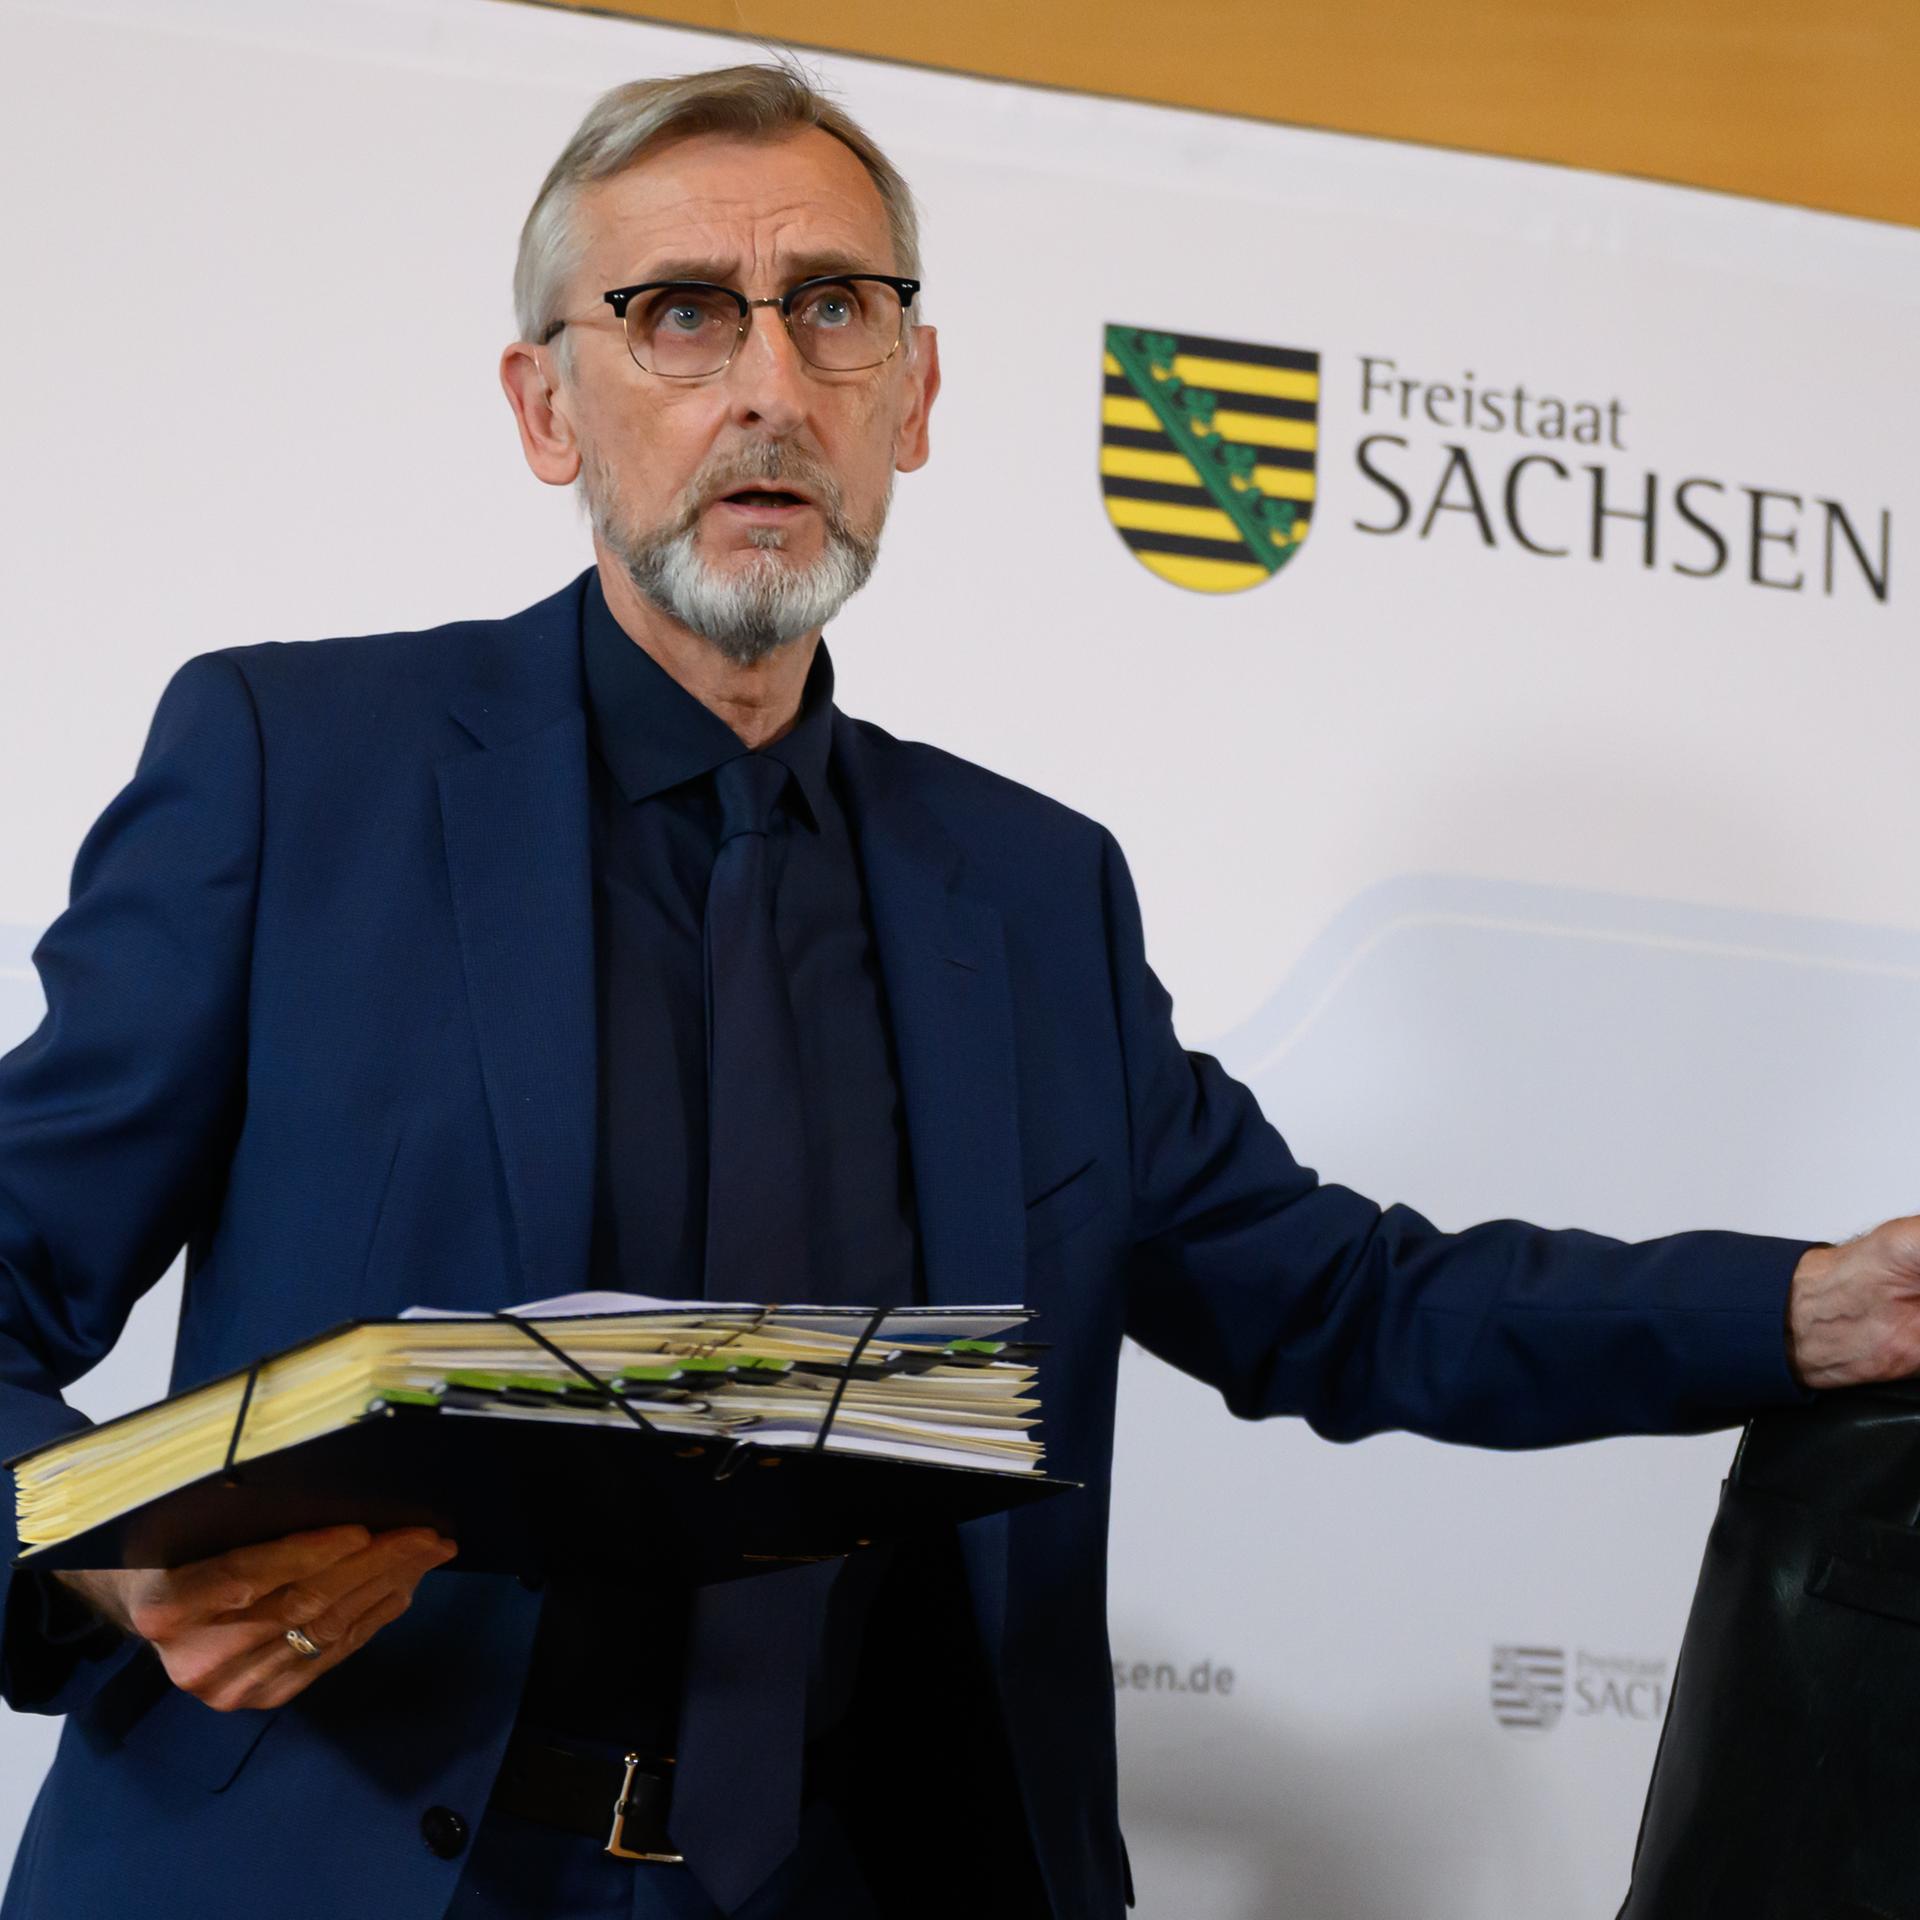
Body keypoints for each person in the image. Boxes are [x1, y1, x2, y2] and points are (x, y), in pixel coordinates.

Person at [0, 59, 1914, 1920]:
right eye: (681, 315)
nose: (768, 386)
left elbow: (1340, 1300)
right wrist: (107, 1560)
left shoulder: (1029, 889)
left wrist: (1811, 1308)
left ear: (913, 395)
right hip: (338, 1865)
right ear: (545, 407)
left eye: (834, 310)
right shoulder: (294, 763)